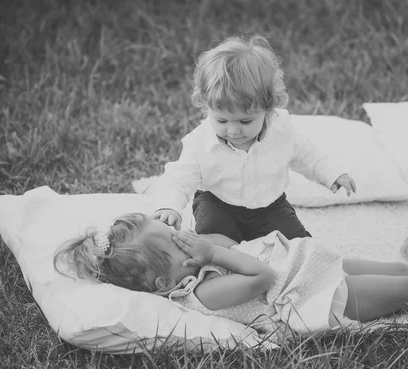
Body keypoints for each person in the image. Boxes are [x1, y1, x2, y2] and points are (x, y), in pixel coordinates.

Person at [54, 213, 408, 335]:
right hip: (318, 301)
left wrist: (199, 246)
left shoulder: (196, 262)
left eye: (176, 230)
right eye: (176, 245)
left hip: (313, 268)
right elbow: (260, 276)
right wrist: (203, 253)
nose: (187, 239)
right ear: (165, 283)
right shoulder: (205, 294)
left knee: (399, 268)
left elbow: (224, 245)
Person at [148, 34, 356, 242]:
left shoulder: (281, 130)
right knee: (214, 242)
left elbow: (307, 154)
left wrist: (332, 174)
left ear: (268, 108)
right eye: (221, 121)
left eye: (245, 121)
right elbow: (181, 177)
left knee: (296, 245)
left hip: (270, 206)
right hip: (218, 204)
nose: (233, 130)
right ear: (206, 107)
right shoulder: (200, 141)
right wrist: (169, 206)